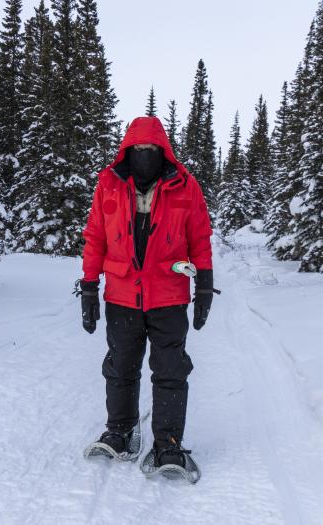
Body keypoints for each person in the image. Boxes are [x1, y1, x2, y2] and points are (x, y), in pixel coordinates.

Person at [79, 116, 214, 468]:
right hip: (121, 296)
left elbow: (200, 240)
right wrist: (90, 287)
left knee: (171, 369)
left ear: (163, 150)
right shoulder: (109, 184)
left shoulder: (185, 186)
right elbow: (95, 237)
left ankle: (168, 442)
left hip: (168, 296)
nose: (144, 155)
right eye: (137, 149)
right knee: (120, 367)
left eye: (151, 149)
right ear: (127, 150)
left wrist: (204, 287)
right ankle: (120, 431)